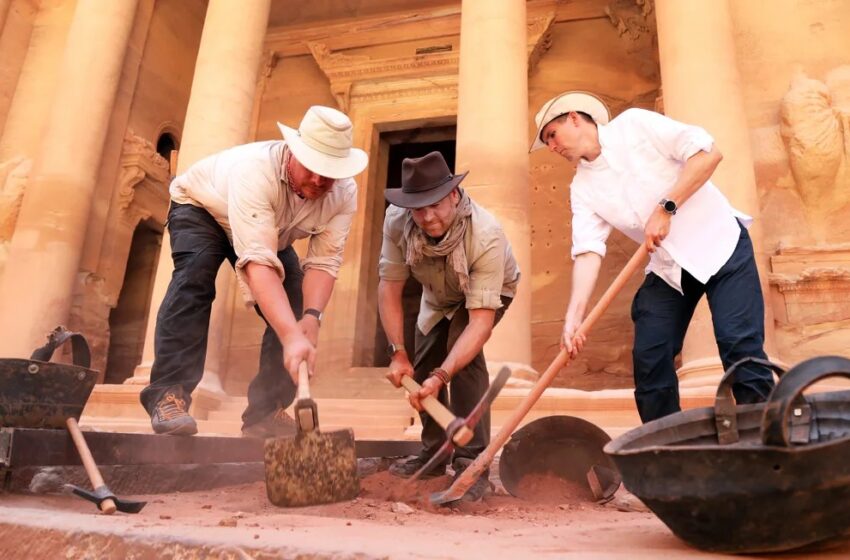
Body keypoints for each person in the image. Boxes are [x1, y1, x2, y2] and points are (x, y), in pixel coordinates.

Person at [531, 91, 775, 423]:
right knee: (650, 356)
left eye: (552, 135)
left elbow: (708, 154)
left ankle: (768, 444)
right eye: (547, 142)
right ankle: (664, 456)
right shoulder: (582, 188)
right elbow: (588, 250)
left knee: (739, 345)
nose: (552, 147)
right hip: (670, 269)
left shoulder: (634, 125)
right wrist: (574, 316)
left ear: (574, 118)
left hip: (721, 246)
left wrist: (666, 207)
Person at [140, 106, 368, 437]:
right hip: (204, 208)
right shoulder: (256, 169)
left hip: (269, 230)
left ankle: (265, 413)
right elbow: (258, 262)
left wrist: (310, 318)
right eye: (313, 168)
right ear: (293, 151)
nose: (320, 180)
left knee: (291, 303)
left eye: (330, 172)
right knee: (195, 279)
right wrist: (290, 337)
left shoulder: (344, 193)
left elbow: (324, 262)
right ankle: (167, 396)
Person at [378, 151, 520, 501]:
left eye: (435, 205)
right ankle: (435, 453)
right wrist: (398, 353)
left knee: (463, 359)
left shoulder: (485, 233)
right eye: (418, 208)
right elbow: (390, 287)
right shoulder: (397, 221)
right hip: (436, 295)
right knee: (423, 361)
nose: (426, 217)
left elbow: (480, 322)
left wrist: (443, 376)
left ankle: (473, 463)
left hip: (486, 293)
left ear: (454, 195)